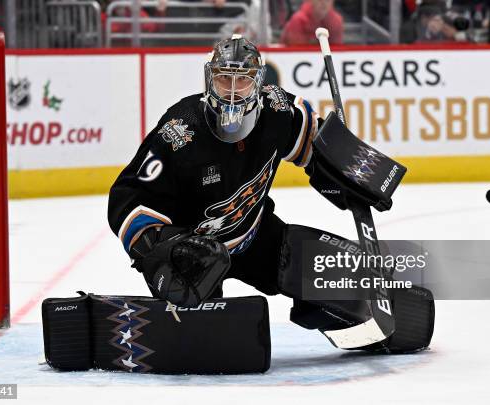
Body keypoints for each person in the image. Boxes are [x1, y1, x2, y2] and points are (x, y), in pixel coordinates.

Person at [107, 35, 434, 355]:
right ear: (209, 81)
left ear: (259, 83)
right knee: (219, 345)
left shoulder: (277, 112)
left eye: (243, 80)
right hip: (193, 257)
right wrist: (166, 248)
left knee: (339, 275)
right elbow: (128, 197)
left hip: (253, 235)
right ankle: (178, 317)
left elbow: (317, 143)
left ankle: (356, 331)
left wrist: (356, 170)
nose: (233, 91)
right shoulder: (181, 131)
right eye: (224, 79)